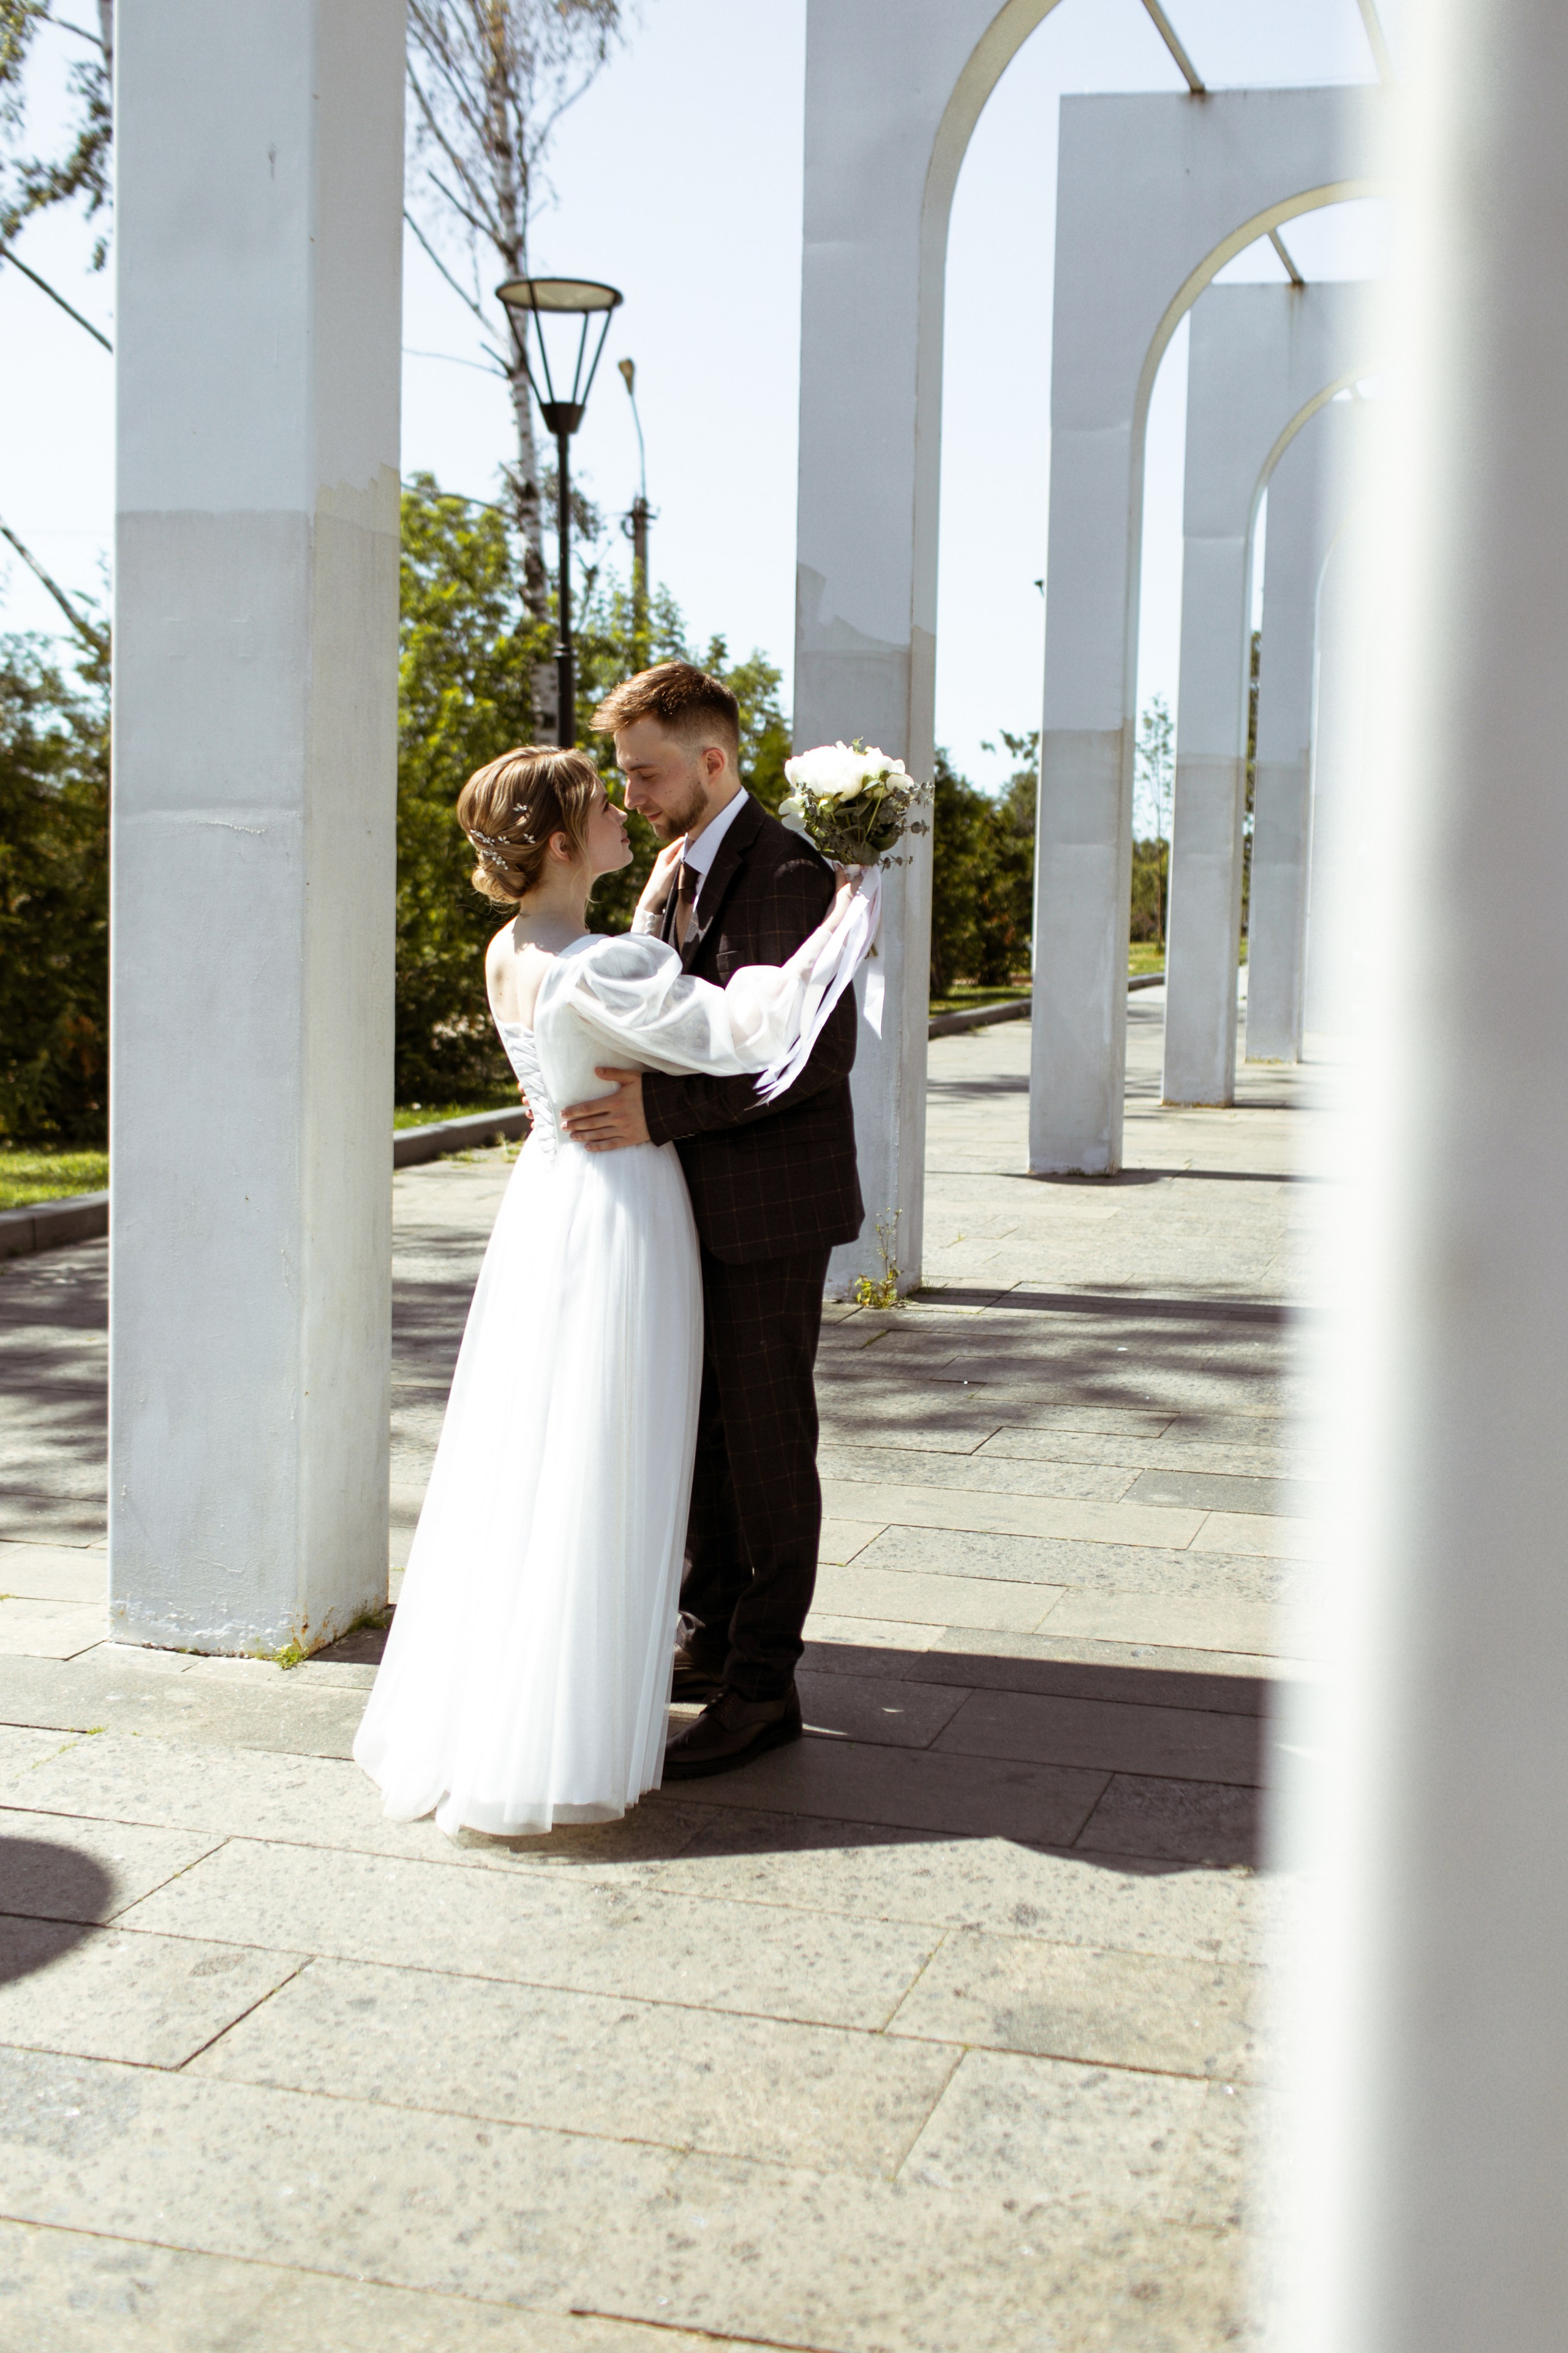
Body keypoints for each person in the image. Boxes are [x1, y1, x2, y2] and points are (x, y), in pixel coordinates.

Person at [353, 714, 865, 1837]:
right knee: (620, 1445)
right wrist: (850, 918)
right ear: (560, 841)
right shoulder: (610, 956)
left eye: (634, 777)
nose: (621, 803)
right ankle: (627, 1680)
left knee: (551, 1442)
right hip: (626, 1210)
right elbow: (751, 1024)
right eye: (601, 794)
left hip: (553, 1206)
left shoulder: (518, 950)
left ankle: (613, 1668)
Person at [565, 663, 862, 1780]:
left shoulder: (780, 870)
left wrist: (659, 1111)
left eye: (644, 772)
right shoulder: (680, 867)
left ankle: (765, 1686)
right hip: (700, 1201)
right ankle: (711, 1637)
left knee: (768, 1447)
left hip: (769, 1209)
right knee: (706, 1438)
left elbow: (809, 1057)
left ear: (713, 760)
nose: (631, 793)